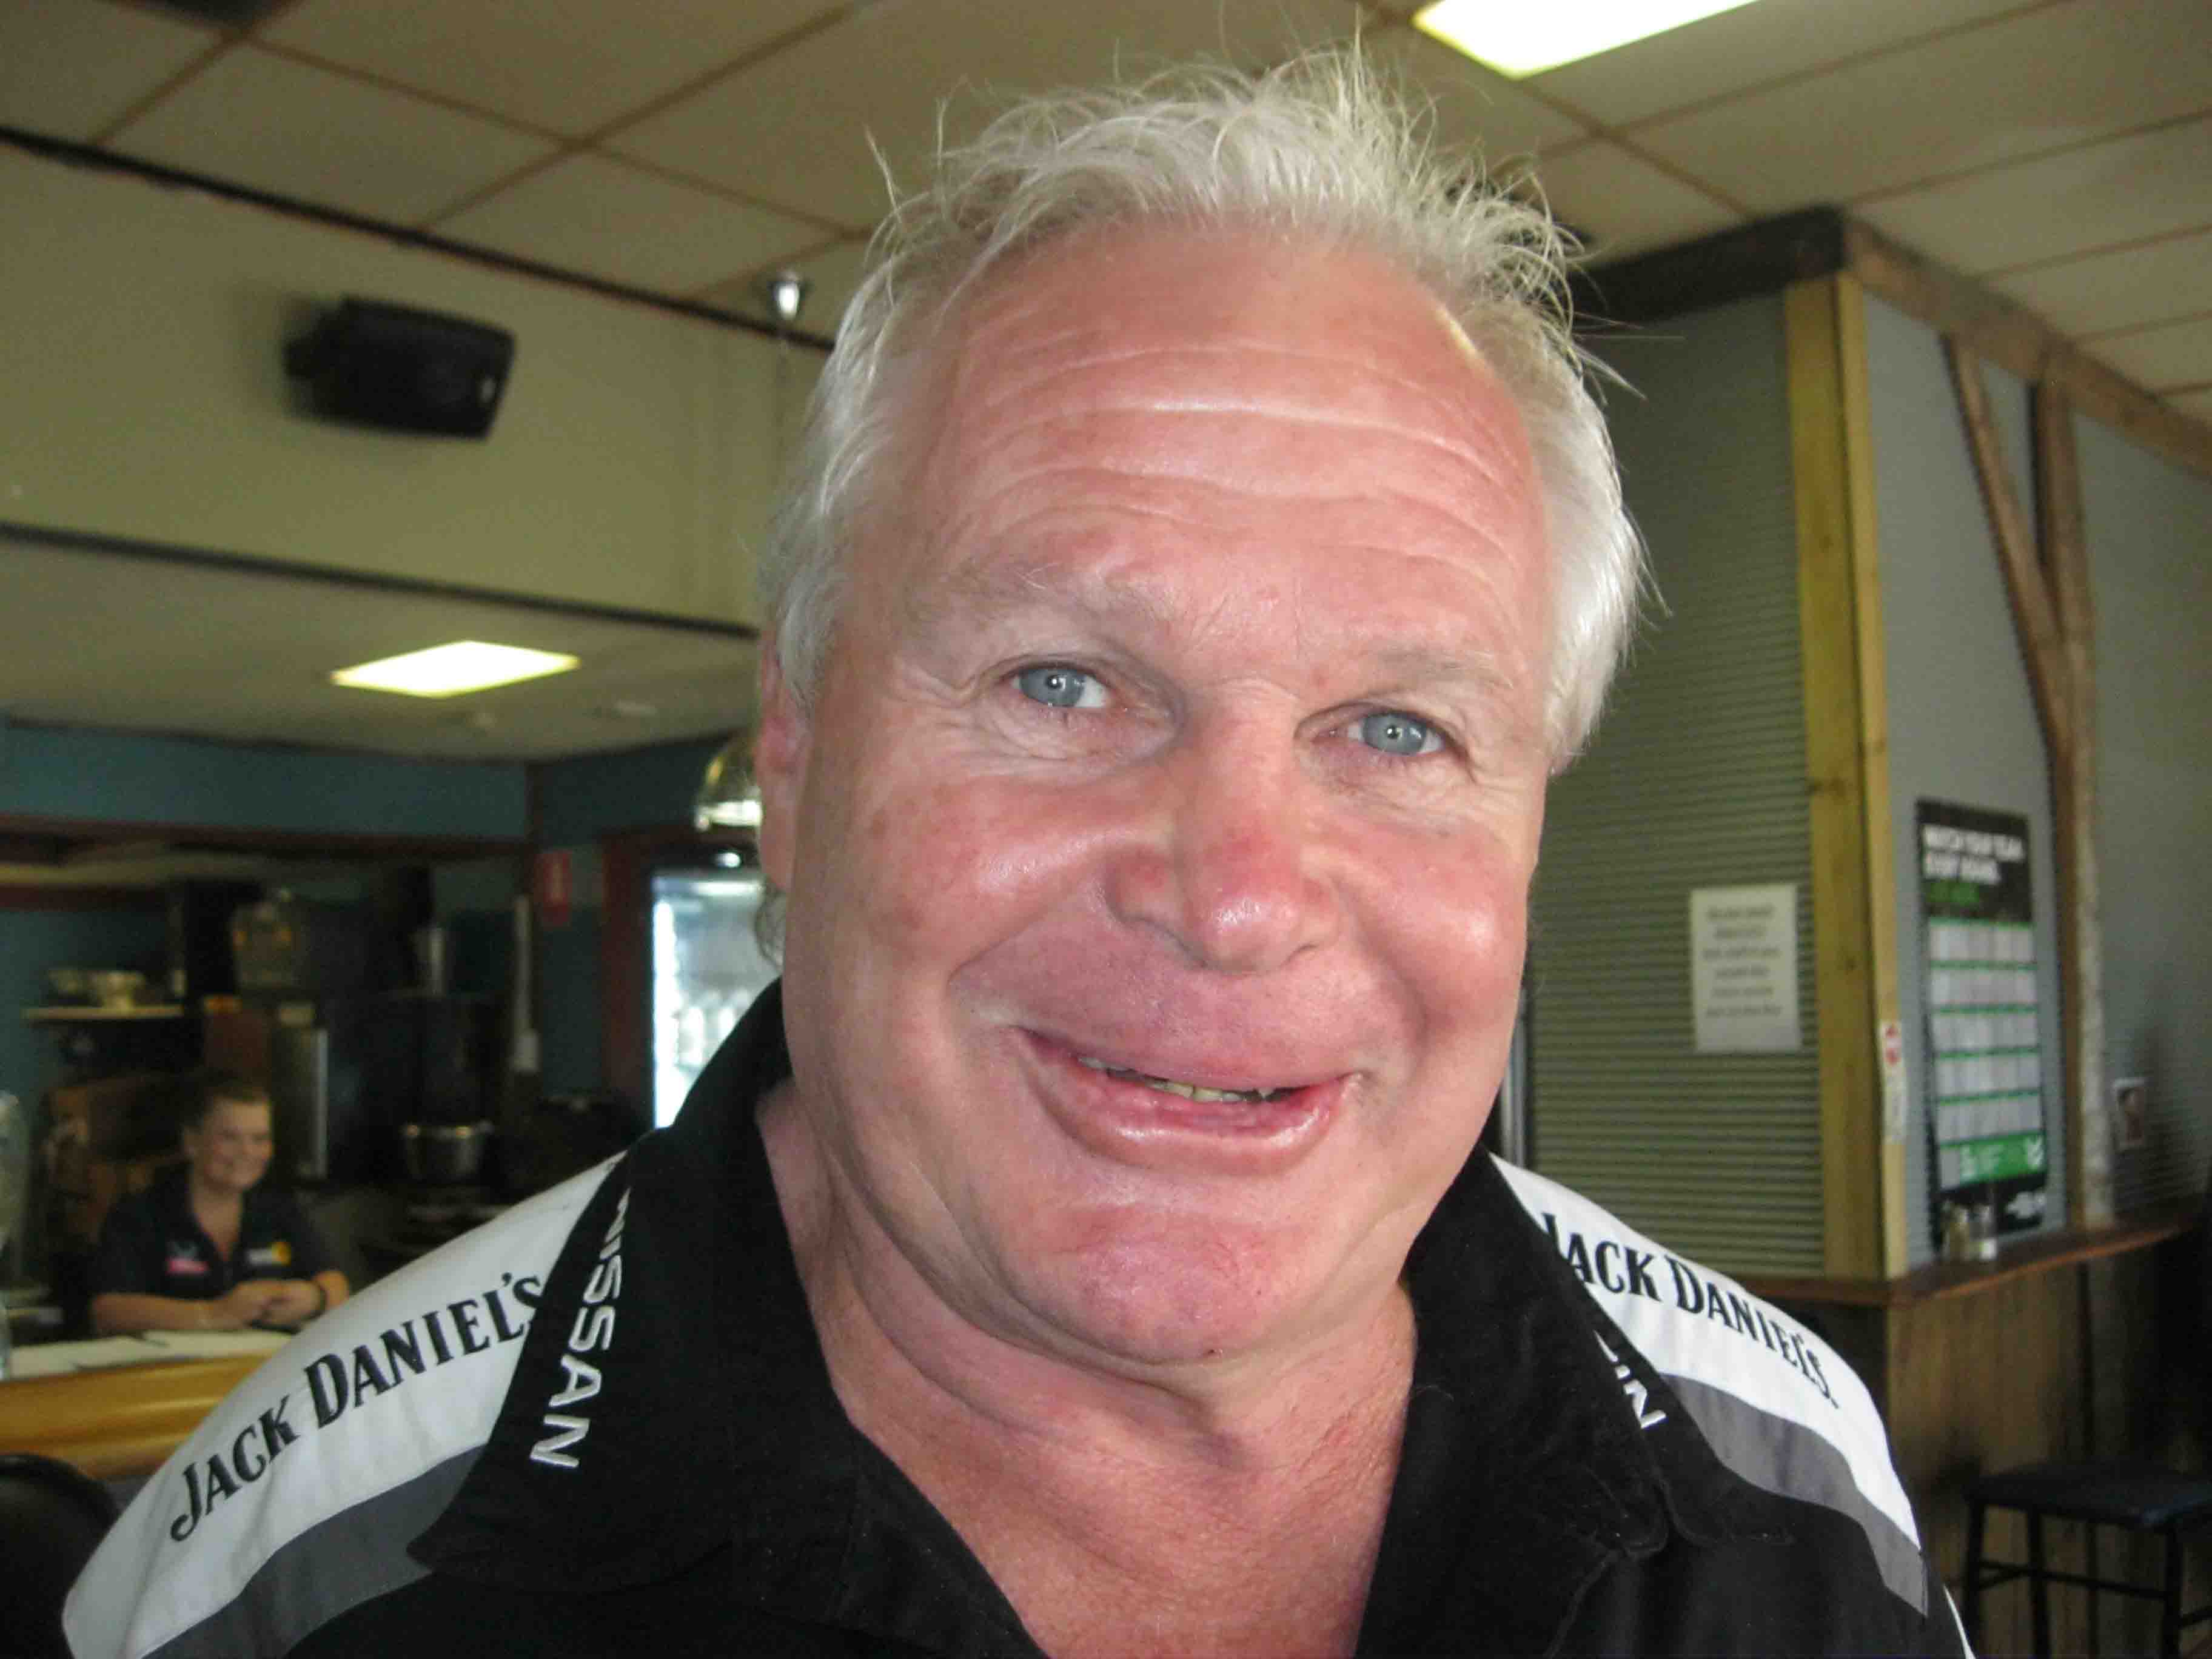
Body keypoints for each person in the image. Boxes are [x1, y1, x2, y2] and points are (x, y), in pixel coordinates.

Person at [68, 53, 1967, 1657]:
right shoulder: (299, 1577)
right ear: (795, 754)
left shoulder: (1800, 1496)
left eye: (1399, 729)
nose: (1237, 901)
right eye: (1061, 682)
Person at [87, 1071, 347, 1336]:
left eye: (260, 1139)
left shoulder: (280, 1210)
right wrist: (214, 1313)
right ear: (191, 1142)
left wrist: (315, 1298)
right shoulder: (139, 1214)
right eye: (230, 1138)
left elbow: (336, 1284)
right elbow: (108, 1312)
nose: (247, 1152)